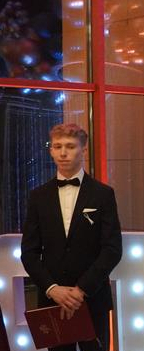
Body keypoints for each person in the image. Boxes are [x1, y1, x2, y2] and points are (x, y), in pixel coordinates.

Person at [21, 123, 122, 351]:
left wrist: (81, 290)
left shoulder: (103, 194)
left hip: (92, 299)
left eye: (70, 146)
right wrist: (52, 288)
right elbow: (29, 252)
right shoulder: (38, 196)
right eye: (57, 147)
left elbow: (112, 249)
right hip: (52, 301)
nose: (63, 153)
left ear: (83, 150)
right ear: (51, 151)